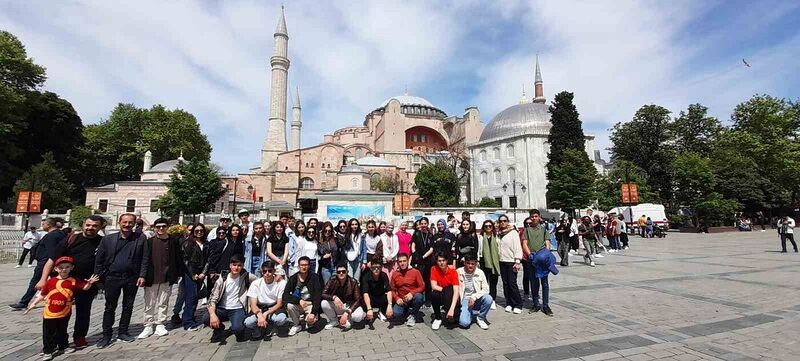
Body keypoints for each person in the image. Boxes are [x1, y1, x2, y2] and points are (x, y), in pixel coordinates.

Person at [32, 216, 103, 349]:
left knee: (83, 312)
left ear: (100, 227)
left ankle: (79, 337)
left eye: (94, 226)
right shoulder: (71, 239)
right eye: (88, 225)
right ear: (83, 224)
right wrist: (43, 279)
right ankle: (55, 342)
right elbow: (51, 260)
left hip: (85, 283)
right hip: (64, 282)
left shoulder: (102, 242)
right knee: (57, 312)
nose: (90, 228)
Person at [25, 256, 100, 360]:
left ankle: (63, 346)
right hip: (50, 312)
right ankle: (48, 350)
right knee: (48, 332)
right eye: (61, 267)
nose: (64, 269)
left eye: (67, 267)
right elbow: (42, 294)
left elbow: (84, 288)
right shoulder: (51, 281)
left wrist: (90, 282)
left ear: (71, 268)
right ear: (56, 269)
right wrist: (33, 304)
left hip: (64, 312)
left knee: (62, 330)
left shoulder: (73, 280)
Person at [93, 213, 147, 348]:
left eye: (130, 222)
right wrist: (99, 278)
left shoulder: (140, 238)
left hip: (131, 277)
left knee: (128, 306)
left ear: (134, 224)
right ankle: (106, 335)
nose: (127, 225)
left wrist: (142, 275)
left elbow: (145, 258)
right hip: (112, 277)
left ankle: (123, 331)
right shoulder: (108, 239)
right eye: (125, 222)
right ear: (119, 222)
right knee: (110, 307)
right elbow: (99, 259)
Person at [138, 218, 185, 339]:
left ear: (167, 227)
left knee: (163, 302)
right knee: (149, 303)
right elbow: (144, 259)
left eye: (163, 226)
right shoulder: (149, 242)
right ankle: (148, 325)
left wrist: (177, 274)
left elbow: (178, 258)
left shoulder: (173, 241)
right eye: (158, 227)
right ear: (154, 228)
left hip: (166, 276)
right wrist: (142, 275)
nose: (161, 229)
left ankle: (160, 323)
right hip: (151, 276)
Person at [10, 218, 66, 311]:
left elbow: (52, 253)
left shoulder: (51, 236)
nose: (42, 226)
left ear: (48, 225)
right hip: (51, 262)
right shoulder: (60, 233)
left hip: (46, 263)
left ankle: (24, 302)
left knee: (35, 282)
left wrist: (49, 265)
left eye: (43, 224)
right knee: (56, 281)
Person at [204, 255, 256, 343]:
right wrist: (213, 315)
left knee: (238, 329)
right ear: (230, 266)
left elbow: (261, 281)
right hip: (222, 308)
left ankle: (239, 330)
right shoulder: (222, 278)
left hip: (237, 308)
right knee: (206, 318)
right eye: (234, 265)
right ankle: (218, 328)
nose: (236, 268)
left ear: (243, 266)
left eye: (239, 265)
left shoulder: (246, 276)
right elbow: (212, 299)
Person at [244, 261, 289, 340]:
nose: (267, 273)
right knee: (248, 322)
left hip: (274, 307)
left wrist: (266, 314)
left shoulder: (281, 283)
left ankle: (272, 326)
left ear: (274, 271)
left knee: (281, 319)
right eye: (264, 271)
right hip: (260, 308)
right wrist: (260, 315)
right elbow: (253, 304)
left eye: (270, 271)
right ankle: (257, 328)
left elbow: (279, 304)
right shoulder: (256, 283)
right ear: (262, 272)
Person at [522, 209, 553, 316]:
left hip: (542, 259)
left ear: (539, 217)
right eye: (532, 216)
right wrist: (529, 254)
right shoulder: (527, 230)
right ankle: (535, 304)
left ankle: (545, 305)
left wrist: (546, 254)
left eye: (536, 216)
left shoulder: (544, 230)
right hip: (532, 259)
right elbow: (525, 243)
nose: (534, 218)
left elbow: (547, 243)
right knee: (534, 283)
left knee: (545, 283)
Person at [283, 256, 322, 336]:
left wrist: (313, 312)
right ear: (298, 266)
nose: (304, 267)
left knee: (311, 323)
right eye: (301, 265)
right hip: (299, 304)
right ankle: (297, 325)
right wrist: (299, 301)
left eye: (306, 265)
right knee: (290, 305)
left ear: (309, 266)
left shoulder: (314, 277)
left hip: (310, 304)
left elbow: (318, 295)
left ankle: (309, 320)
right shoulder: (293, 278)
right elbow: (285, 295)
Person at [179, 223, 208, 330]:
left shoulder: (206, 243)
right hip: (190, 273)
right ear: (193, 232)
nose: (199, 232)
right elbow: (186, 260)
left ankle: (190, 317)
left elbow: (208, 260)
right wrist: (192, 274)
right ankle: (188, 322)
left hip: (200, 273)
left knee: (195, 297)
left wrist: (203, 273)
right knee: (190, 297)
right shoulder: (187, 243)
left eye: (201, 230)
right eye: (196, 231)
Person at [321, 263, 364, 330]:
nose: (341, 273)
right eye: (339, 272)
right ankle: (334, 321)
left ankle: (348, 319)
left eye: (343, 271)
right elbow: (323, 294)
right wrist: (333, 297)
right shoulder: (332, 280)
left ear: (347, 272)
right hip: (338, 306)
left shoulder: (353, 282)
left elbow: (358, 300)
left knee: (358, 317)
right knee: (324, 303)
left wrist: (348, 312)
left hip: (349, 306)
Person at [456, 255, 492, 329]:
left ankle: (481, 318)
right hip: (464, 299)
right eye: (468, 263)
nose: (470, 266)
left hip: (476, 298)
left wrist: (474, 297)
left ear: (476, 264)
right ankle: (470, 314)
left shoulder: (480, 272)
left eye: (472, 264)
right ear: (464, 263)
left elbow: (486, 289)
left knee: (488, 299)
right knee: (464, 323)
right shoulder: (458, 272)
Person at [389, 253, 425, 326]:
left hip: (413, 297)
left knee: (419, 297)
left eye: (404, 261)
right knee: (396, 314)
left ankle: (413, 315)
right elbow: (392, 289)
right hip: (402, 299)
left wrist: (412, 293)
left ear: (408, 261)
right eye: (400, 261)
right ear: (398, 263)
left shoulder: (415, 272)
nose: (402, 263)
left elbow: (422, 286)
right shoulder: (395, 274)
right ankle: (406, 311)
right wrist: (397, 298)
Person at [497, 214, 523, 314]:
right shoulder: (499, 234)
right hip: (502, 261)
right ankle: (509, 303)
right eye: (501, 221)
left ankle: (518, 304)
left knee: (512, 284)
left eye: (504, 221)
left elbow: (517, 247)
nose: (502, 223)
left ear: (507, 222)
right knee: (505, 283)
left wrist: (517, 261)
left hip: (511, 261)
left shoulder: (513, 233)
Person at [429, 253, 460, 330]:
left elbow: (456, 291)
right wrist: (444, 291)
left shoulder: (453, 271)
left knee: (456, 319)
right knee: (434, 294)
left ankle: (450, 312)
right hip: (441, 292)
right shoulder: (434, 269)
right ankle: (438, 318)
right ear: (436, 261)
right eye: (439, 261)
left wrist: (452, 309)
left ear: (447, 261)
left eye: (443, 260)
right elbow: (434, 286)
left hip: (450, 294)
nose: (441, 263)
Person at [411, 217, 434, 304]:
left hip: (427, 260)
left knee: (427, 280)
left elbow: (431, 248)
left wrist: (424, 256)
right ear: (420, 224)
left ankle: (428, 299)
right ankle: (418, 299)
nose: (423, 225)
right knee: (418, 280)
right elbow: (413, 246)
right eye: (422, 224)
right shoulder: (416, 234)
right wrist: (416, 255)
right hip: (418, 260)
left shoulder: (430, 235)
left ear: (427, 224)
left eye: (425, 223)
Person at [477, 220, 500, 310]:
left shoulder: (497, 236)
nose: (488, 227)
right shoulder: (480, 237)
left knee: (493, 282)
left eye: (490, 226)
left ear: (492, 227)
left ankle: (492, 299)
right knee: (484, 281)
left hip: (494, 261)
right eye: (486, 226)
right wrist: (478, 260)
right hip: (484, 261)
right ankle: (484, 299)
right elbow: (478, 249)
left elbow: (499, 248)